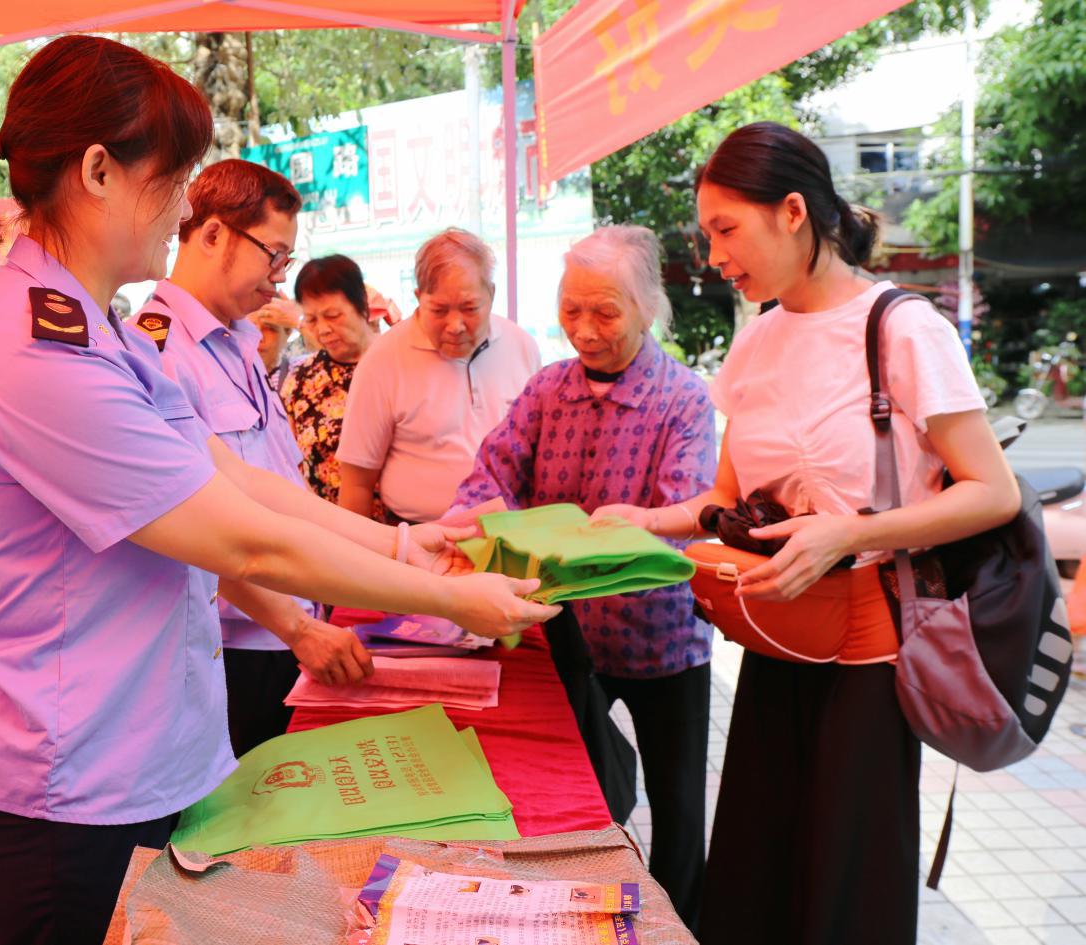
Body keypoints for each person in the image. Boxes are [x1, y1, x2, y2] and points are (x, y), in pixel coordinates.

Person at [0, 36, 558, 945]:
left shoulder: (99, 335)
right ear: (99, 170)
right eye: (173, 180)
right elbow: (244, 543)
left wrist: (402, 545)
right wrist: (452, 594)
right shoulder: (41, 352)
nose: (180, 210)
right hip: (57, 797)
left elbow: (242, 483)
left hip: (130, 765)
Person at [594, 122, 1020, 945]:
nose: (714, 254)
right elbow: (722, 495)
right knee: (756, 869)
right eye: (706, 233)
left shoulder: (900, 328)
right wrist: (643, 519)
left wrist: (841, 535)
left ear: (792, 211)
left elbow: (990, 492)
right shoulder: (756, 339)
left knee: (844, 885)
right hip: (775, 639)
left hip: (868, 649)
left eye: (726, 229)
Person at [449, 226, 714, 932]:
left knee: (680, 805)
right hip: (563, 634)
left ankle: (680, 924)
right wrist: (475, 524)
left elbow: (689, 504)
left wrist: (640, 522)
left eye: (604, 312)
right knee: (581, 788)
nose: (584, 331)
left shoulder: (682, 398)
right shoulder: (547, 388)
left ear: (648, 307)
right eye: (570, 312)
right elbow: (490, 472)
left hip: (662, 637)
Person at [127, 158, 363, 757]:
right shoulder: (155, 354)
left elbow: (273, 488)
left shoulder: (237, 342)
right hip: (233, 646)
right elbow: (200, 527)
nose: (279, 280)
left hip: (284, 626)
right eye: (273, 255)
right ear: (211, 235)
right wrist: (297, 627)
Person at [336, 227, 541, 523]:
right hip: (419, 535)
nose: (455, 325)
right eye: (439, 310)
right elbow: (357, 482)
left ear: (491, 294)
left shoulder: (521, 346)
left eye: (470, 308)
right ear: (419, 297)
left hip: (511, 531)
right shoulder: (383, 360)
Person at [282, 254, 382, 512]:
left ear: (362, 305)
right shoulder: (300, 380)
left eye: (333, 315)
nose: (323, 330)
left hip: (402, 530)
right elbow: (288, 461)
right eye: (312, 320)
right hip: (327, 530)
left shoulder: (397, 367)